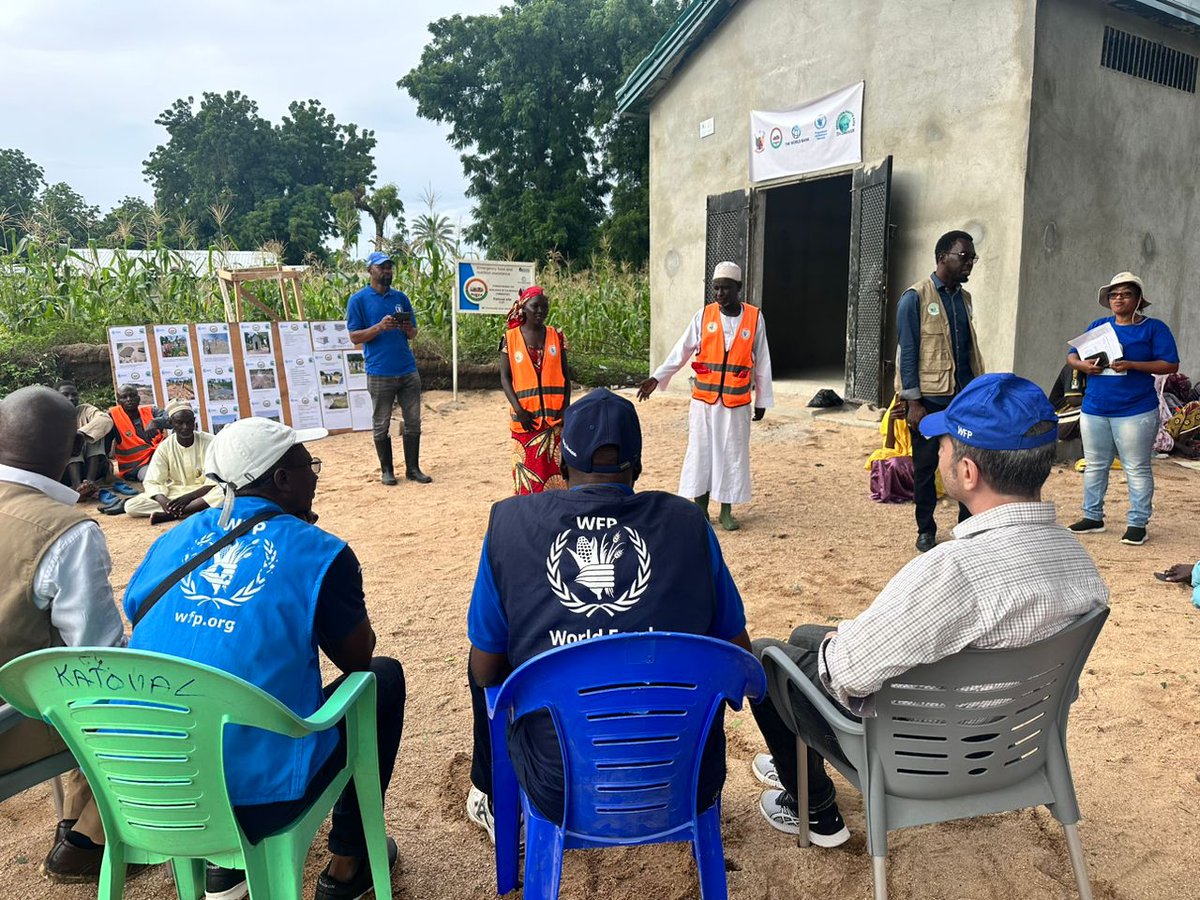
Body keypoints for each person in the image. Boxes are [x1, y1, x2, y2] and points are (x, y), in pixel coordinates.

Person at [748, 374, 1108, 845]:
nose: (935, 452)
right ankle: (795, 763)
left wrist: (840, 646)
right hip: (1009, 739)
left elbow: (849, 676)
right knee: (806, 636)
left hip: (922, 755)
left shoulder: (953, 570)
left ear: (967, 473)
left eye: (942, 444)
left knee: (767, 655)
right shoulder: (1077, 559)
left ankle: (812, 807)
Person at [123, 418, 405, 900]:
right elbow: (358, 658)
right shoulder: (319, 552)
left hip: (147, 783)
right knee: (381, 680)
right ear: (282, 479)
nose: (316, 475)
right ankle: (346, 867)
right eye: (308, 465)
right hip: (256, 797)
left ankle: (224, 870)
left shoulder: (176, 536)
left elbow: (136, 610)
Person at [464, 388, 751, 839]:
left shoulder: (509, 523)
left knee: (483, 659)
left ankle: (495, 799)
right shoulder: (689, 523)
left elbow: (485, 670)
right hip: (685, 780)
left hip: (559, 786)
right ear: (636, 466)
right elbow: (740, 656)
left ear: (559, 463)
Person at [0, 386, 127, 882]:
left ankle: (76, 817)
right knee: (144, 690)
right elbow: (98, 660)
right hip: (13, 726)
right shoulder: (65, 531)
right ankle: (90, 839)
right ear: (77, 449)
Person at [637, 261, 773, 531]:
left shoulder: (754, 318)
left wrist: (763, 401)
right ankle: (700, 507)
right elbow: (681, 351)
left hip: (736, 403)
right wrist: (657, 377)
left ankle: (726, 510)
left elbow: (763, 360)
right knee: (702, 451)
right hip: (704, 401)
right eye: (716, 288)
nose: (720, 294)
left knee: (732, 454)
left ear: (738, 288)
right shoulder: (704, 316)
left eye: (725, 288)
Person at [1066, 272, 1179, 545]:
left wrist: (1132, 365)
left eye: (1126, 294)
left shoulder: (1154, 328)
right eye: (1114, 295)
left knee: (1136, 467)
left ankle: (1137, 522)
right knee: (1095, 465)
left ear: (1138, 299)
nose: (1118, 299)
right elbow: (1073, 354)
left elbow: (1170, 365)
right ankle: (1092, 516)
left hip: (1135, 409)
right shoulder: (1099, 324)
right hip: (1095, 407)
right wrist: (1083, 366)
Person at [895, 230, 986, 552]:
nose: (970, 264)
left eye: (972, 258)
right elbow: (908, 353)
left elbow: (968, 349)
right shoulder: (915, 297)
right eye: (965, 257)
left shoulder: (964, 299)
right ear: (942, 257)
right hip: (931, 402)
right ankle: (926, 529)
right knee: (925, 467)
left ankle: (965, 526)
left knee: (966, 464)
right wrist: (914, 402)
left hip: (963, 399)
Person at [346, 250, 431, 485]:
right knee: (381, 422)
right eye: (382, 267)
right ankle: (387, 471)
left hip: (407, 369)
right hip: (379, 371)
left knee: (413, 421)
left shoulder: (400, 298)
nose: (387, 271)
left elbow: (413, 333)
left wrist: (405, 328)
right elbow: (354, 336)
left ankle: (413, 469)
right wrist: (379, 327)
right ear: (370, 270)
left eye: (389, 267)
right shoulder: (358, 300)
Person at [500, 285, 570, 494]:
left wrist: (566, 407)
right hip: (526, 419)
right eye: (535, 306)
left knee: (556, 472)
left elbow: (566, 376)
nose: (540, 311)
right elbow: (505, 377)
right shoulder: (510, 338)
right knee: (527, 475)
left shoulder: (556, 336)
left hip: (555, 418)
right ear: (523, 308)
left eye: (544, 307)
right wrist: (519, 410)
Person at [119, 400, 221, 523]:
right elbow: (153, 481)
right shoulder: (165, 447)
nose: (186, 427)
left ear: (194, 421)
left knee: (224, 492)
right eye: (179, 423)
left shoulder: (212, 442)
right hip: (177, 492)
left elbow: (216, 480)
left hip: (205, 491)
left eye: (189, 422)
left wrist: (189, 497)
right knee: (131, 506)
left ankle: (174, 514)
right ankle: (188, 510)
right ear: (171, 423)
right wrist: (165, 503)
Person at [56, 381, 113, 501]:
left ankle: (89, 483)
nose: (71, 398)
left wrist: (81, 434)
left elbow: (105, 420)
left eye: (74, 394)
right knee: (69, 439)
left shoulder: (85, 410)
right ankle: (78, 487)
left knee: (95, 432)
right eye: (65, 395)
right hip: (65, 472)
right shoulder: (49, 415)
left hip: (91, 468)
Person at [108, 383, 167, 482]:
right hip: (137, 467)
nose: (129, 399)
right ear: (118, 401)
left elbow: (174, 418)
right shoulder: (112, 417)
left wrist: (156, 422)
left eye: (132, 395)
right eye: (124, 397)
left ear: (139, 398)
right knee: (153, 479)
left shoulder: (151, 411)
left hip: (160, 458)